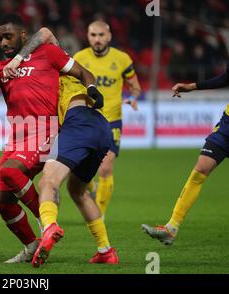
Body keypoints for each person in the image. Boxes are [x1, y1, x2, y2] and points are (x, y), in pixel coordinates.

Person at [0, 13, 105, 264]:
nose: (3, 43)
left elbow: (83, 73)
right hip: (16, 138)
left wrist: (92, 90)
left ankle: (47, 224)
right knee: (2, 202)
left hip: (45, 132)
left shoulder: (48, 54)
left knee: (9, 172)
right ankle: (31, 246)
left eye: (8, 36)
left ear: (24, 36)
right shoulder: (1, 69)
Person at [3, 26, 119, 267]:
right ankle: (106, 250)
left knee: (48, 181)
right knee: (78, 191)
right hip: (101, 128)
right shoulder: (63, 68)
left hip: (77, 124)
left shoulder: (51, 62)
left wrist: (16, 59)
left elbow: (44, 32)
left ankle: (49, 228)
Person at [142, 61, 229, 245]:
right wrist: (193, 86)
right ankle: (171, 228)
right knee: (201, 168)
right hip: (227, 124)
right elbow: (226, 77)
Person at [75, 21, 141, 218]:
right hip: (86, 119)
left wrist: (134, 97)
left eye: (101, 35)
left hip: (112, 120)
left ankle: (99, 215)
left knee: (105, 167)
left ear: (109, 36)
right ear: (87, 36)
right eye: (93, 35)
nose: (97, 39)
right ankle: (90, 186)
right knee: (81, 168)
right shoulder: (79, 58)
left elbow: (134, 85)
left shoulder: (122, 59)